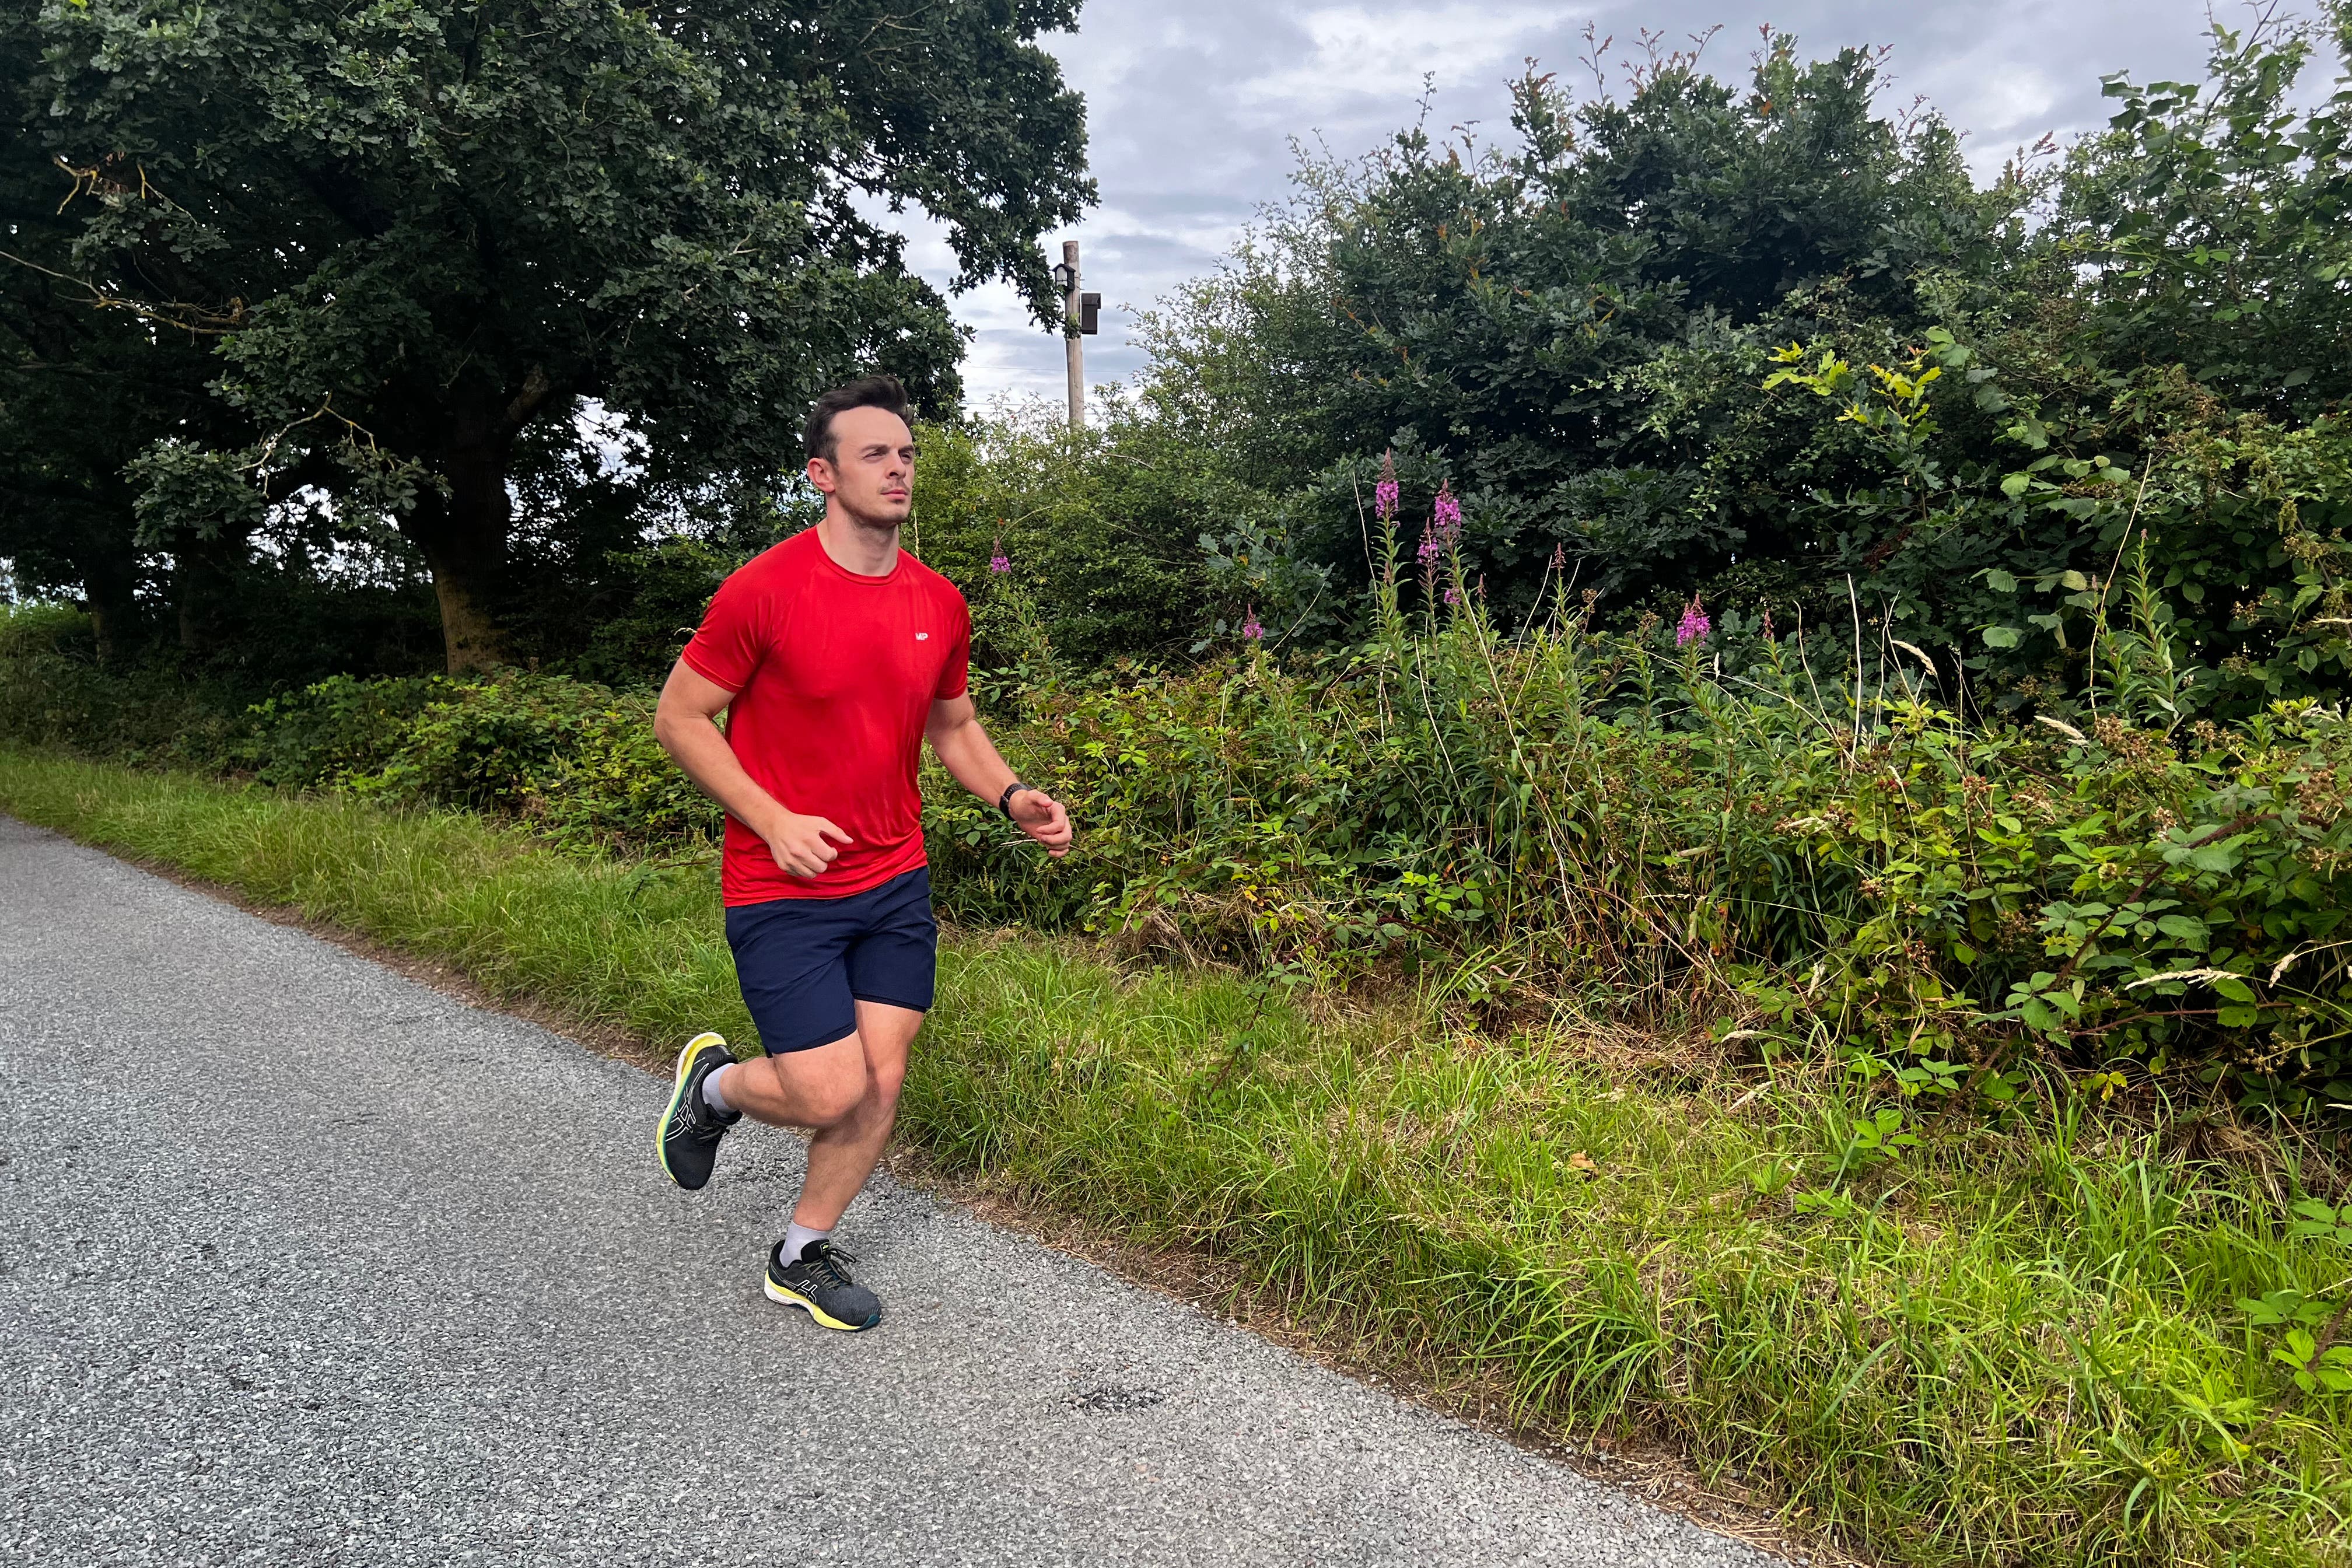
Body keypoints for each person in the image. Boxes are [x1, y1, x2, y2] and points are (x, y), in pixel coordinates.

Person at [650, 373, 1072, 1331]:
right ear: (823, 475)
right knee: (827, 1087)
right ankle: (713, 1089)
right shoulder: (766, 589)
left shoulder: (937, 601)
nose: (898, 467)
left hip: (892, 878)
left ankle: (801, 1251)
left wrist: (1011, 794)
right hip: (781, 884)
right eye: (874, 452)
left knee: (881, 1081)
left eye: (907, 453)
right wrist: (771, 818)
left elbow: (953, 726)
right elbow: (681, 718)